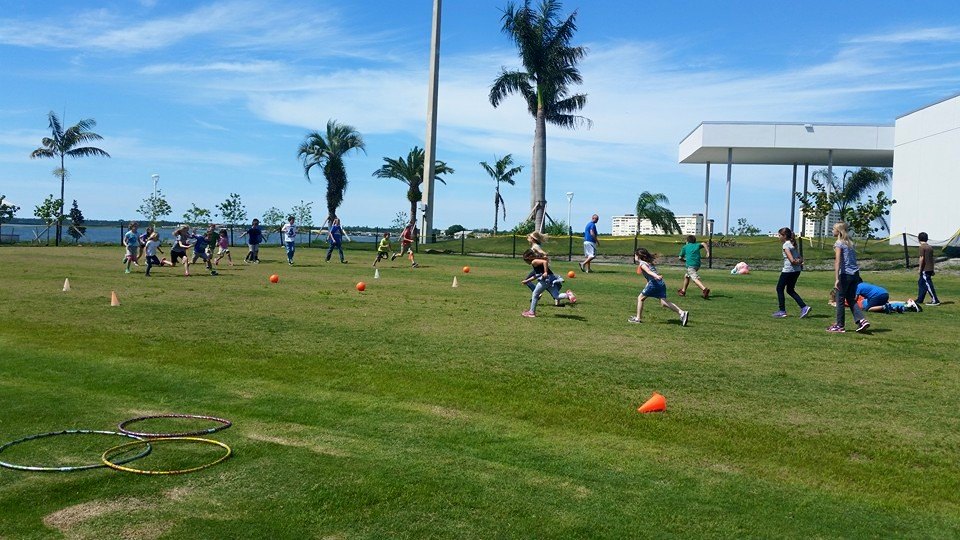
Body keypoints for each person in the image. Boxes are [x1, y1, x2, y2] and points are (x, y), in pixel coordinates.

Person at [828, 221, 869, 333]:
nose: (832, 231)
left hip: (845, 275)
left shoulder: (839, 243)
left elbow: (838, 261)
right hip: (855, 274)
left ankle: (840, 325)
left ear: (839, 231)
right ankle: (861, 320)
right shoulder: (850, 243)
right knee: (851, 299)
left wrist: (837, 278)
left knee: (840, 299)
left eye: (833, 229)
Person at [630, 247, 688, 326]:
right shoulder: (648, 262)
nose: (634, 256)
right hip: (660, 283)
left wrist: (656, 276)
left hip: (654, 283)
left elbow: (649, 272)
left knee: (640, 298)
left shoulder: (643, 264)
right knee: (664, 302)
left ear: (638, 256)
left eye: (635, 255)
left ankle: (638, 319)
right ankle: (682, 313)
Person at [520, 249, 576, 317]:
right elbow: (537, 275)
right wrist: (527, 281)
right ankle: (568, 295)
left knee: (535, 294)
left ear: (528, 258)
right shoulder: (535, 262)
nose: (526, 262)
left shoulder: (534, 261)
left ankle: (532, 312)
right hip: (551, 278)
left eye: (525, 260)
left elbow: (545, 262)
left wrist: (546, 272)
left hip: (546, 279)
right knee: (556, 296)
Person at [772, 227, 811, 318]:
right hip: (797, 271)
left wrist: (796, 262)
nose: (778, 237)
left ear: (784, 236)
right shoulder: (793, 244)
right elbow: (800, 259)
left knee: (779, 288)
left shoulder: (786, 245)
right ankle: (804, 307)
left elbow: (792, 260)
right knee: (790, 290)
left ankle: (782, 311)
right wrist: (799, 262)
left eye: (779, 235)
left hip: (788, 271)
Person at [829, 283, 922, 313]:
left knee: (869, 309)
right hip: (878, 295)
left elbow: (845, 303)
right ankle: (906, 304)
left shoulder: (848, 297)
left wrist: (834, 303)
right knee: (889, 303)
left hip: (864, 303)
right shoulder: (855, 290)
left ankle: (904, 306)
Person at [916, 232, 941, 306]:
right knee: (921, 282)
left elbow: (922, 258)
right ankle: (920, 299)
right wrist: (932, 269)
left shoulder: (922, 247)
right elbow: (931, 259)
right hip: (930, 268)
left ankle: (935, 300)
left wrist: (920, 268)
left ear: (919, 239)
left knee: (928, 284)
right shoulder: (930, 247)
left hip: (925, 269)